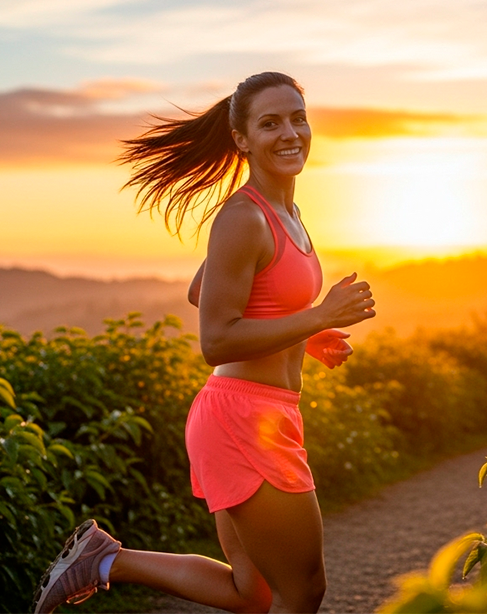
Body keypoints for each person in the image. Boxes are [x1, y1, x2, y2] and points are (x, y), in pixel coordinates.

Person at [32, 72, 376, 614]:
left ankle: (104, 560)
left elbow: (204, 289)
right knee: (302, 591)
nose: (290, 133)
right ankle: (103, 560)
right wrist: (317, 315)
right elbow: (216, 339)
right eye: (270, 123)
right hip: (244, 422)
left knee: (254, 592)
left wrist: (311, 335)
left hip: (258, 415)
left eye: (298, 118)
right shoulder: (243, 217)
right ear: (241, 139)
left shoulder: (287, 212)